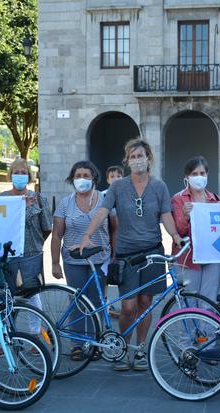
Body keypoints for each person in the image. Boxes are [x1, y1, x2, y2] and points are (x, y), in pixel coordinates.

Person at [77, 138, 183, 372]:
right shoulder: (118, 187)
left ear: (149, 159)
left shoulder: (159, 187)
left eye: (141, 156)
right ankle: (123, 346)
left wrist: (174, 235)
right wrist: (87, 235)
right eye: (133, 157)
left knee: (145, 304)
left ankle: (140, 349)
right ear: (127, 160)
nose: (137, 160)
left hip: (153, 252)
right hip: (127, 255)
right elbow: (103, 210)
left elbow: (166, 215)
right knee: (127, 307)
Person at [51, 160, 112, 360]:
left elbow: (116, 228)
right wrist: (54, 262)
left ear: (94, 177)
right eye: (78, 176)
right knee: (76, 301)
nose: (82, 180)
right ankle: (78, 344)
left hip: (100, 259)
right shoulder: (65, 203)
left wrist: (116, 255)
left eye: (86, 176)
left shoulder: (105, 199)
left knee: (97, 302)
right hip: (73, 260)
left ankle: (95, 342)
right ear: (72, 179)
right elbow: (57, 234)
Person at [170, 156, 220, 304]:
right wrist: (185, 217)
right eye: (194, 174)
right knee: (189, 300)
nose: (199, 177)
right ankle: (190, 328)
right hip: (188, 258)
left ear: (207, 175)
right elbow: (178, 231)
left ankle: (207, 328)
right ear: (187, 177)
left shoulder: (214, 199)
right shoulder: (179, 199)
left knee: (209, 300)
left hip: (212, 256)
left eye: (202, 173)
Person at [0, 158, 51, 292]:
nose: (20, 175)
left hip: (32, 256)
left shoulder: (38, 198)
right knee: (8, 298)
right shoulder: (0, 199)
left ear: (29, 176)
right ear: (10, 175)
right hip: (7, 256)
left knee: (33, 297)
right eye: (16, 172)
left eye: (23, 172)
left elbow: (47, 228)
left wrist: (35, 244)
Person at [103, 165, 123, 317]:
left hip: (126, 243)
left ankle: (124, 307)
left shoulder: (129, 195)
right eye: (112, 176)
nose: (116, 179)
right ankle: (106, 306)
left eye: (119, 176)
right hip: (107, 244)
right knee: (105, 277)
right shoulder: (102, 196)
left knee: (122, 277)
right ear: (108, 179)